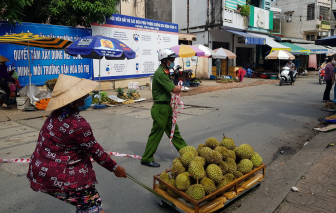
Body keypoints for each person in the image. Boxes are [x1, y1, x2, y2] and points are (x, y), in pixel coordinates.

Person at [27, 74, 126, 213]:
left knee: (87, 207)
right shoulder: (78, 124)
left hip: (41, 171)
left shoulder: (56, 114)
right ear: (75, 101)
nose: (88, 97)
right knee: (94, 208)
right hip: (63, 176)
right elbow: (96, 151)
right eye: (85, 95)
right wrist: (116, 168)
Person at [141, 49, 187, 167]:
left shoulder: (165, 72)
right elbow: (174, 89)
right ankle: (147, 158)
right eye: (171, 59)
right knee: (156, 134)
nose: (173, 61)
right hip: (160, 109)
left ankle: (187, 153)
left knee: (174, 131)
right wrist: (180, 86)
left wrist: (179, 81)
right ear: (164, 60)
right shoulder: (161, 73)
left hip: (166, 107)